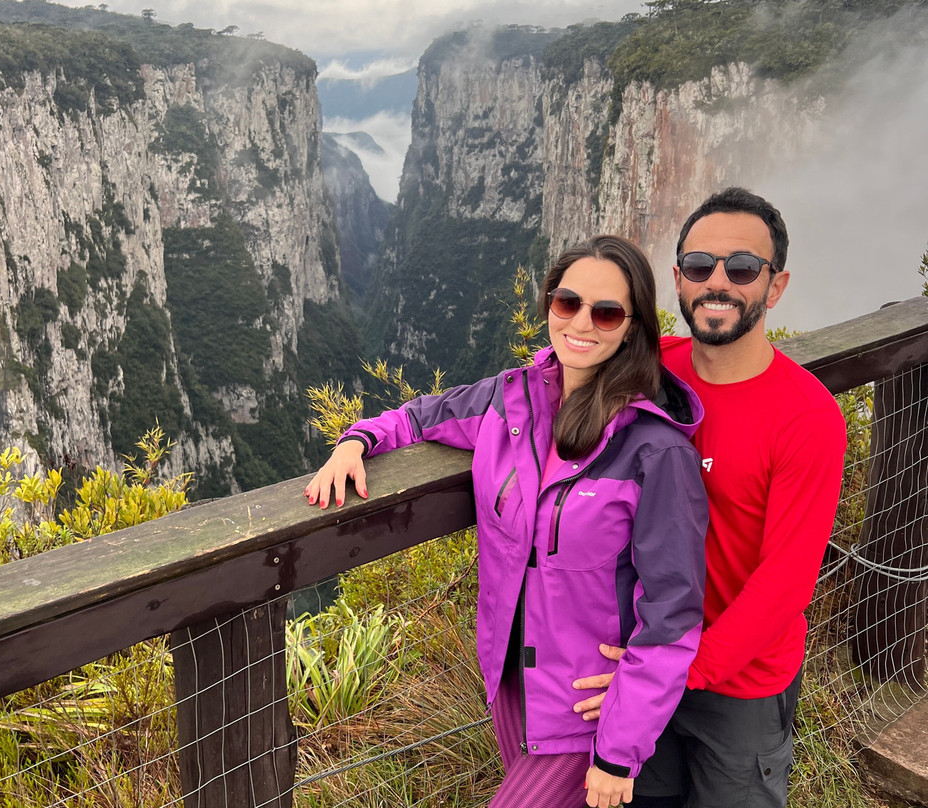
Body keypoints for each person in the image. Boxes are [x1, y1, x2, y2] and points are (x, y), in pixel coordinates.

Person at [304, 235, 709, 808]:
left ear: (633, 327)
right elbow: (421, 416)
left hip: (585, 704)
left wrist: (620, 748)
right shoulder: (511, 401)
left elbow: (672, 613)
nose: (582, 323)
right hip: (513, 679)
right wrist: (357, 440)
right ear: (549, 304)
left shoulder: (656, 453)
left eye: (607, 311)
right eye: (567, 303)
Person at [571, 188, 848, 808]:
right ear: (677, 279)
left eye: (743, 268)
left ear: (774, 287)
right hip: (645, 661)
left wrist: (672, 672)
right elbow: (538, 387)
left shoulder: (807, 419)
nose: (717, 283)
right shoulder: (650, 370)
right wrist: (375, 432)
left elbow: (785, 585)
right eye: (699, 266)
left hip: (738, 687)